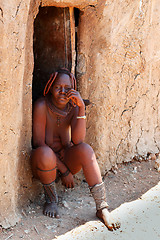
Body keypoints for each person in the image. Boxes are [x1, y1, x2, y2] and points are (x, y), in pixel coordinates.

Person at [31, 68, 120, 231]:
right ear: (50, 87)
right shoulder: (42, 105)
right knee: (45, 153)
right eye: (58, 87)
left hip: (66, 159)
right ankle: (51, 200)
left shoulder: (73, 108)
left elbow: (78, 140)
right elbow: (38, 143)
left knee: (86, 150)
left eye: (67, 88)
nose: (63, 92)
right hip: (44, 164)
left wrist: (80, 108)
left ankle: (102, 208)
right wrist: (65, 171)